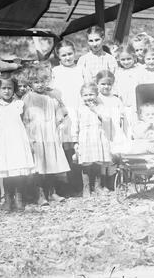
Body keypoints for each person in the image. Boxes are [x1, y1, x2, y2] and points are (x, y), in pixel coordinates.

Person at [0, 73, 35, 212]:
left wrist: (30, 140)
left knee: (18, 170)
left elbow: (26, 123)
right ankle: (7, 198)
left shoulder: (19, 104)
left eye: (10, 88)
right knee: (7, 172)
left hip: (18, 141)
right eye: (4, 88)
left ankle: (19, 198)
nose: (7, 91)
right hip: (3, 143)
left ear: (14, 89)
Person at [22, 62, 70, 205]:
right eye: (36, 82)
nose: (39, 85)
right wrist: (28, 137)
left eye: (42, 81)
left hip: (50, 134)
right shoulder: (28, 97)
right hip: (36, 134)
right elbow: (24, 118)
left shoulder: (52, 96)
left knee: (51, 163)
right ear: (30, 83)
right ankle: (39, 194)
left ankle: (52, 192)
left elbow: (60, 112)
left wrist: (60, 119)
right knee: (39, 166)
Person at [51, 39, 84, 195]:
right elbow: (53, 93)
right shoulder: (55, 72)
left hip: (78, 111)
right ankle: (64, 184)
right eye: (63, 55)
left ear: (75, 53)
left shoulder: (81, 69)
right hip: (63, 113)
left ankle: (79, 183)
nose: (68, 58)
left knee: (77, 148)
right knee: (64, 148)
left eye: (70, 54)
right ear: (58, 56)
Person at [72, 83, 113, 197]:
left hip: (97, 137)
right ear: (81, 96)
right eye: (85, 95)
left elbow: (106, 119)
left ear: (97, 94)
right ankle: (86, 188)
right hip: (85, 138)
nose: (89, 97)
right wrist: (75, 141)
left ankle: (97, 186)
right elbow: (75, 125)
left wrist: (95, 109)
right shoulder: (79, 109)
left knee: (97, 162)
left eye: (91, 94)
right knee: (86, 163)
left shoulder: (100, 106)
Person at [95, 70, 127, 191]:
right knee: (104, 158)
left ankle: (113, 181)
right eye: (103, 84)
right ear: (97, 84)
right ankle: (102, 183)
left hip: (114, 131)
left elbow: (122, 115)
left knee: (113, 155)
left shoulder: (116, 100)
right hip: (102, 132)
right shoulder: (97, 99)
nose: (106, 87)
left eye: (109, 84)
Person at [114, 45, 143, 137]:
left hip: (138, 106)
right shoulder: (118, 72)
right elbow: (115, 90)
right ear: (118, 59)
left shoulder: (140, 70)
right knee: (126, 131)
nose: (126, 62)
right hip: (124, 106)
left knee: (138, 130)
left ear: (134, 57)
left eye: (128, 59)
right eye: (123, 60)